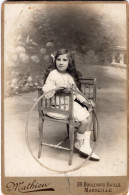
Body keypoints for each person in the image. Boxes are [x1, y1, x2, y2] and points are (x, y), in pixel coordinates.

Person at [42, 48, 100, 161]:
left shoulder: (69, 76)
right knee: (84, 120)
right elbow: (47, 90)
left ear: (69, 62)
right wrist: (57, 88)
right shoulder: (53, 74)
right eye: (58, 59)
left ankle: (85, 145)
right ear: (55, 61)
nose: (61, 62)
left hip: (69, 105)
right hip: (57, 108)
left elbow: (77, 93)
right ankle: (80, 143)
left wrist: (86, 101)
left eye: (64, 60)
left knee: (89, 112)